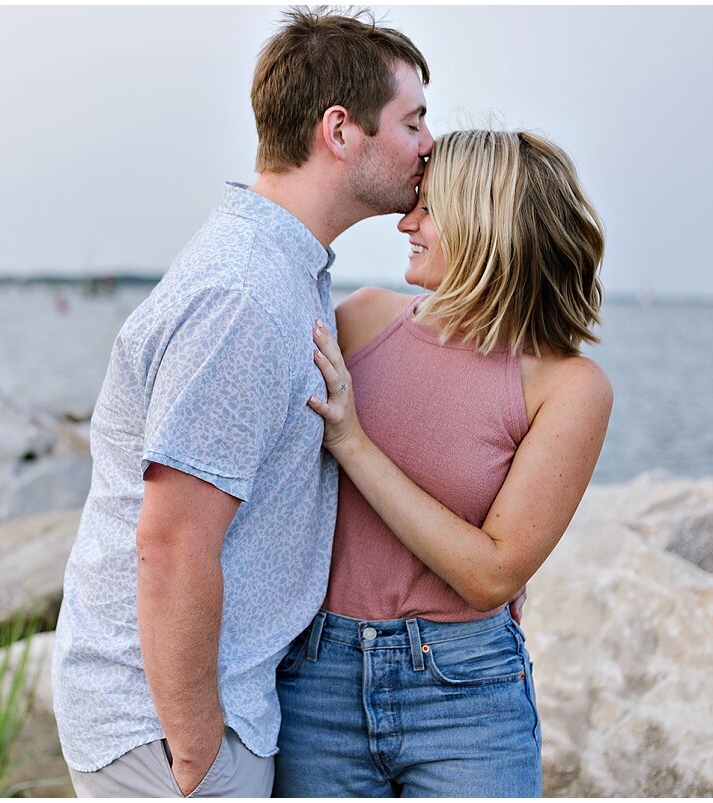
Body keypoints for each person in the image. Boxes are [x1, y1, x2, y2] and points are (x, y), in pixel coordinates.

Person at [52, 8, 433, 798]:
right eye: (414, 119)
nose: (430, 143)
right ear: (340, 130)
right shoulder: (246, 296)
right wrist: (196, 753)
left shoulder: (284, 272)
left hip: (206, 714)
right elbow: (172, 545)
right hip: (166, 731)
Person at [273, 129, 612, 797]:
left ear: (485, 223)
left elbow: (491, 572)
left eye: (427, 207)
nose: (406, 222)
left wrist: (354, 444)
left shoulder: (569, 386)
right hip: (315, 674)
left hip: (468, 696)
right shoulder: (362, 319)